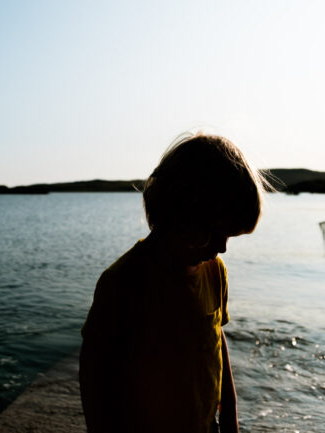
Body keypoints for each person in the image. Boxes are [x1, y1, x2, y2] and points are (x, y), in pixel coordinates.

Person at [79, 133, 270, 433]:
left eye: (230, 237)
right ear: (178, 214)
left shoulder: (214, 272)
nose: (222, 248)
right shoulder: (124, 283)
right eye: (213, 234)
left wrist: (230, 415)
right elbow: (94, 375)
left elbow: (217, 341)